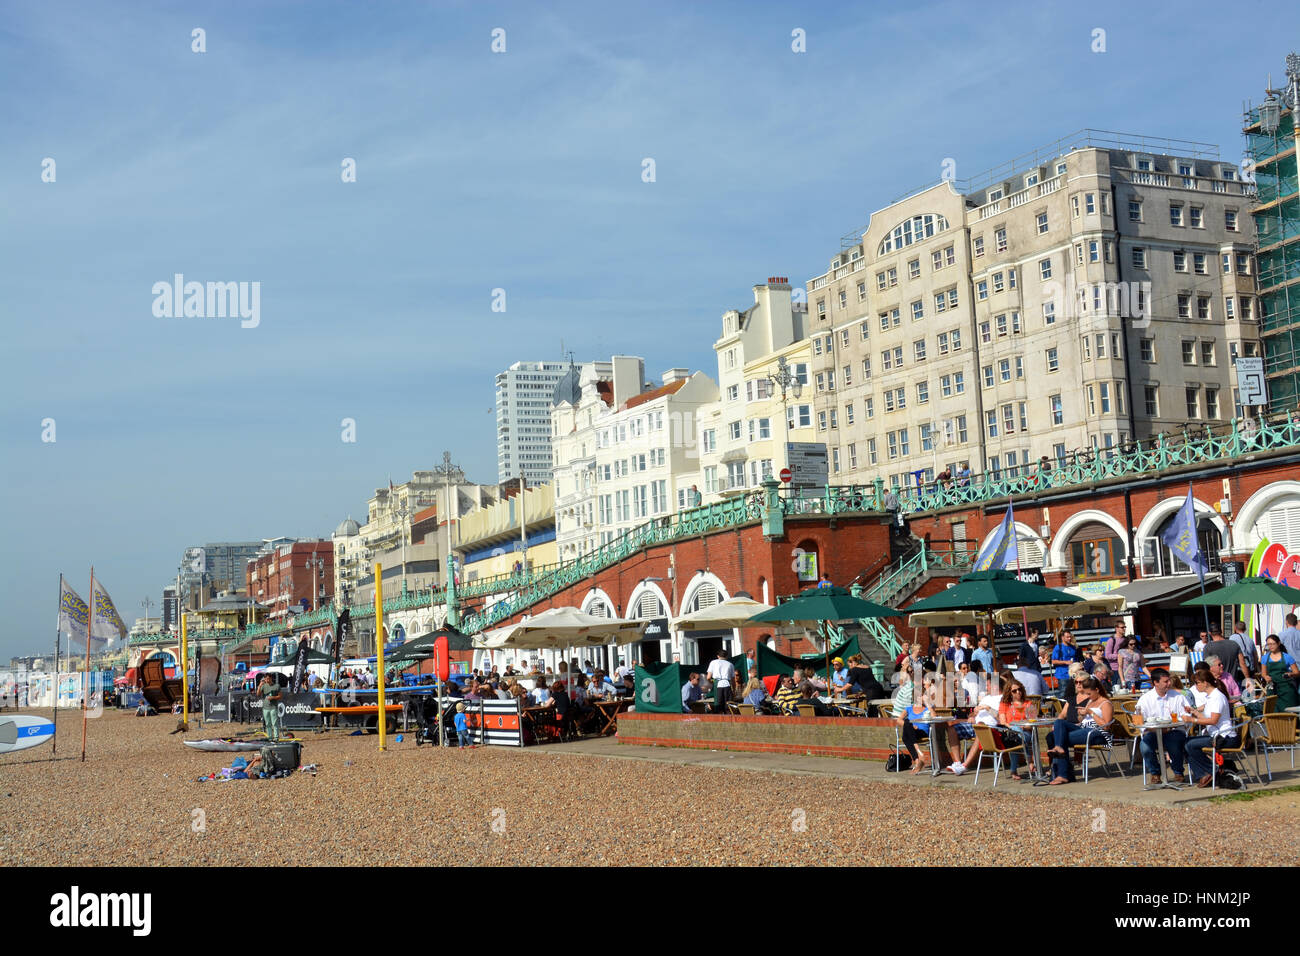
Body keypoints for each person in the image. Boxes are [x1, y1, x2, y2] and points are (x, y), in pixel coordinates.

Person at [1045, 676, 1113, 785]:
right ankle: (1062, 767)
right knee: (1059, 723)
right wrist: (1081, 714)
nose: (1088, 696)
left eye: (1089, 694)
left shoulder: (1106, 703)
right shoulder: (1090, 701)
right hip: (1084, 728)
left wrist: (1090, 712)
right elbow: (1081, 720)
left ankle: (1063, 774)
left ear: (1097, 690)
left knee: (1059, 738)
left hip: (1098, 733)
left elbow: (1106, 726)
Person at [1133, 668, 1191, 785]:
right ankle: (1155, 773)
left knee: (1173, 743)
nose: (1169, 683)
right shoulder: (1145, 699)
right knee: (1144, 746)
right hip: (1153, 732)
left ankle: (1178, 772)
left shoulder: (1177, 697)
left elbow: (1186, 715)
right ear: (1155, 682)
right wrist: (1149, 728)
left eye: (1168, 680)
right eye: (1165, 681)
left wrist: (1173, 725)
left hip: (1174, 730)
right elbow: (1139, 720)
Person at [1184, 670, 1237, 787]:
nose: (1196, 686)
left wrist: (1192, 720)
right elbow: (1207, 718)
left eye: (1197, 683)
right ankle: (1205, 774)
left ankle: (1212, 770)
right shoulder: (1210, 697)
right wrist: (1194, 712)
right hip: (1217, 735)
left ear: (1206, 683)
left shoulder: (1216, 697)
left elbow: (1213, 720)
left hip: (1224, 737)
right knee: (1186, 743)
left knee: (1189, 745)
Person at [1260, 634, 1300, 711]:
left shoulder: (1287, 657)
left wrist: (1291, 674)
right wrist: (1266, 677)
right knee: (1273, 711)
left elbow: (1297, 673)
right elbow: (1263, 673)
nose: (1271, 646)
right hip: (1272, 689)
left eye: (1273, 644)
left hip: (1286, 689)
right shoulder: (1265, 658)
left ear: (1278, 643)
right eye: (1268, 644)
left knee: (1288, 712)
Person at [257, 673, 282, 742]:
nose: (267, 680)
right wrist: (259, 686)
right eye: (265, 679)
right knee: (268, 723)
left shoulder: (276, 686)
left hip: (273, 707)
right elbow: (258, 694)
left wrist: (273, 697)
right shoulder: (263, 686)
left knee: (275, 723)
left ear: (271, 678)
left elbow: (280, 696)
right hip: (265, 707)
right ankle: (270, 737)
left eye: (268, 678)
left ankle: (276, 738)